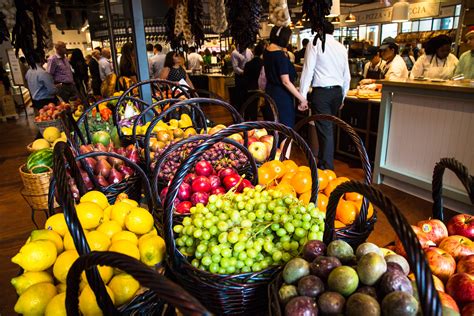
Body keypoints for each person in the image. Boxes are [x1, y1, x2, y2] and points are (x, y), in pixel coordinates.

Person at [300, 20, 350, 170]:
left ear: (319, 30)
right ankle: (322, 163)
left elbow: (308, 71)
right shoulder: (341, 47)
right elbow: (346, 75)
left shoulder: (314, 44)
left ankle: (328, 169)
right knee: (326, 130)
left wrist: (302, 96)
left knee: (325, 131)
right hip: (336, 92)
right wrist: (343, 96)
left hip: (321, 93)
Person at [264, 26, 307, 128]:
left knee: (273, 128)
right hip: (282, 96)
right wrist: (302, 99)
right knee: (285, 129)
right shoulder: (280, 55)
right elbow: (285, 81)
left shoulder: (267, 52)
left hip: (270, 93)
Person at [242, 41, 265, 120]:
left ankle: (246, 123)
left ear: (254, 52)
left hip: (248, 88)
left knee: (248, 106)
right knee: (255, 108)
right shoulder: (263, 63)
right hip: (258, 88)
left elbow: (244, 77)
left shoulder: (248, 64)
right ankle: (254, 125)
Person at [231, 45, 253, 110]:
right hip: (240, 77)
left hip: (249, 76)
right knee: (240, 96)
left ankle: (248, 111)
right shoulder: (234, 53)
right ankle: (241, 113)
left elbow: (252, 61)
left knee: (248, 95)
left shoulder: (249, 51)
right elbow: (235, 68)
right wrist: (244, 72)